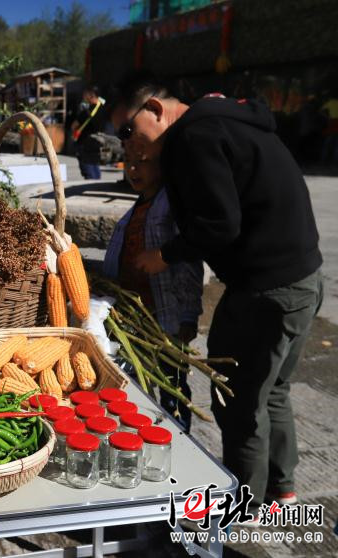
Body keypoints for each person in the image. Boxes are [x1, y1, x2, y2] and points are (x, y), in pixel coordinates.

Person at [117, 76, 323, 516]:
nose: (128, 144)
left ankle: (240, 508)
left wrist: (164, 256)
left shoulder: (193, 135)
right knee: (274, 391)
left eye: (128, 130)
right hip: (305, 278)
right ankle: (280, 491)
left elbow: (219, 225)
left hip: (266, 291)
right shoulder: (228, 120)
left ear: (155, 108)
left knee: (238, 402)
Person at [103, 150, 202, 433]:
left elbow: (189, 263)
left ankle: (180, 438)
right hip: (136, 322)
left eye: (143, 161)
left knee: (172, 388)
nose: (133, 168)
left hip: (166, 321)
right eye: (129, 162)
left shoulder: (169, 206)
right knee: (139, 392)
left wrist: (188, 317)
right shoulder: (136, 208)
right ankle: (146, 437)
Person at [71, 86, 107, 179]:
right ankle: (96, 186)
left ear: (91, 96)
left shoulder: (87, 111)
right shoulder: (103, 109)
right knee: (95, 165)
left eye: (85, 94)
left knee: (87, 168)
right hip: (98, 141)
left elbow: (74, 125)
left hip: (84, 142)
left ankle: (91, 184)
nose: (83, 96)